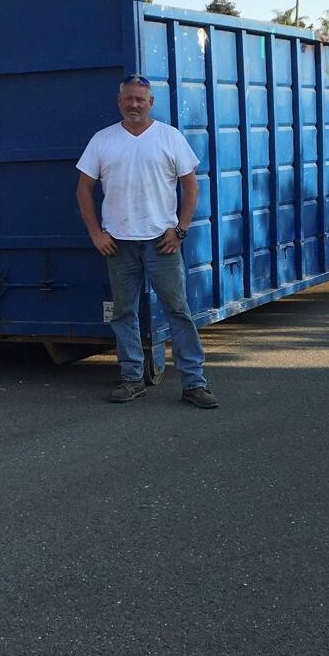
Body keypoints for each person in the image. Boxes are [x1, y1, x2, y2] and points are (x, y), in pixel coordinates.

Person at [76, 74, 218, 409]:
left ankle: (194, 384)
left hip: (161, 242)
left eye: (141, 99)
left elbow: (191, 186)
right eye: (129, 99)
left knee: (178, 311)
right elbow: (84, 189)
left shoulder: (169, 138)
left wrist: (180, 230)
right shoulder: (103, 140)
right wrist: (96, 233)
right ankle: (131, 379)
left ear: (151, 102)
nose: (135, 104)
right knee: (124, 313)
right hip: (118, 244)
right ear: (119, 101)